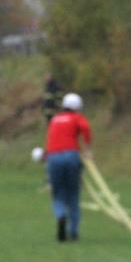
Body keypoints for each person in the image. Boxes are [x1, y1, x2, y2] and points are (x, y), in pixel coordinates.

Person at [41, 91, 91, 242]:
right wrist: (87, 149)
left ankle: (61, 215)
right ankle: (73, 231)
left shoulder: (55, 119)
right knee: (73, 194)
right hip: (71, 156)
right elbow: (86, 129)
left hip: (53, 158)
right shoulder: (76, 117)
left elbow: (50, 139)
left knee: (58, 194)